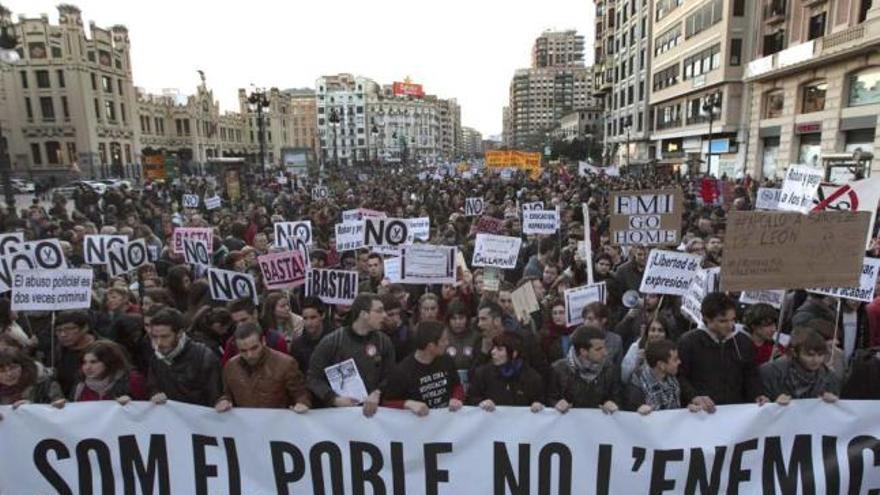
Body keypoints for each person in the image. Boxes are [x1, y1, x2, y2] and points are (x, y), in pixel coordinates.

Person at [306, 293, 395, 416]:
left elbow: (390, 376)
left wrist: (378, 392)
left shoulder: (384, 342)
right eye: (379, 311)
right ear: (363, 314)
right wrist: (333, 399)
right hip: (339, 416)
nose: (384, 315)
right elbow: (313, 378)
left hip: (373, 416)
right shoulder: (333, 341)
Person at [677, 293, 767, 412]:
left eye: (733, 320)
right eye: (723, 321)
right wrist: (693, 396)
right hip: (702, 414)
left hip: (736, 415)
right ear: (707, 319)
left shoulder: (743, 342)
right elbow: (680, 376)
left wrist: (758, 395)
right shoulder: (688, 342)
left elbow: (751, 376)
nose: (730, 326)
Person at [215, 322, 311, 412]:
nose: (250, 355)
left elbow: (301, 394)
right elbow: (227, 394)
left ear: (263, 341)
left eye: (254, 348)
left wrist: (302, 403)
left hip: (278, 423)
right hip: (246, 425)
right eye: (243, 351)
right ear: (236, 348)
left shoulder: (286, 364)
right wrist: (224, 401)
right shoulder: (231, 366)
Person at [381, 321, 464, 415]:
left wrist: (456, 398)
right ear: (431, 346)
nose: (447, 343)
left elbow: (457, 385)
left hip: (445, 421)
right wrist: (408, 404)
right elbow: (386, 403)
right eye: (443, 340)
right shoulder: (402, 371)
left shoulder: (446, 360)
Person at [147, 307, 222, 407]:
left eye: (165, 337)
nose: (159, 343)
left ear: (179, 334)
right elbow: (153, 386)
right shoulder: (156, 358)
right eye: (155, 337)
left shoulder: (204, 356)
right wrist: (155, 395)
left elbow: (216, 395)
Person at [548, 326, 620, 413]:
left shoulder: (609, 368)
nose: (605, 353)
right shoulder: (558, 369)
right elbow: (549, 399)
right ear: (583, 351)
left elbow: (617, 397)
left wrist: (611, 404)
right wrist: (556, 404)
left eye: (604, 347)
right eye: (599, 349)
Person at [467, 332, 544, 412]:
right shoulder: (483, 373)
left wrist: (538, 405)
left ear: (514, 353)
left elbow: (541, 401)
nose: (493, 352)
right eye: (493, 348)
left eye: (499, 350)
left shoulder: (532, 378)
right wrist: (481, 403)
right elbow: (471, 399)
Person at [760, 328, 840, 404]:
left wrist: (833, 402)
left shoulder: (829, 377)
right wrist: (772, 403)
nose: (816, 360)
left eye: (820, 355)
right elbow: (759, 403)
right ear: (794, 353)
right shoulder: (771, 373)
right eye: (809, 355)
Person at [71, 341, 147, 403]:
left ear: (108, 362)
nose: (87, 367)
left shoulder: (132, 381)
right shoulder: (80, 386)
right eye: (84, 362)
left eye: (94, 362)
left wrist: (132, 403)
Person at [623, 339, 683, 414]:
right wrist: (639, 409)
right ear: (661, 365)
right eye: (675, 359)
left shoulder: (673, 380)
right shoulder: (637, 385)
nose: (679, 362)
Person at [223, 298, 288, 364]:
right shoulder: (232, 343)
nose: (240, 325)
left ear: (255, 314)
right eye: (236, 322)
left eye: (244, 320)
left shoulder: (276, 340)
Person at [52, 310, 99, 397]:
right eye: (58, 330)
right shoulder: (56, 350)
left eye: (69, 329)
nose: (63, 334)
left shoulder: (105, 349)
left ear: (85, 328)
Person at [0, 349, 65, 409]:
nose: (9, 374)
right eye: (2, 371)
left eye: (13, 368)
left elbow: (63, 413)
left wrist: (33, 408)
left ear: (24, 367)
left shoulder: (45, 386)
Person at [620, 316, 672, 384]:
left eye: (660, 330)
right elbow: (624, 377)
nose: (656, 334)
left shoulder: (671, 352)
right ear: (647, 333)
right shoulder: (637, 347)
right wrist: (638, 363)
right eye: (653, 330)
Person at [290, 297, 330, 373]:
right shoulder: (297, 345)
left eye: (313, 317)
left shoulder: (336, 341)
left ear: (322, 315)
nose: (309, 323)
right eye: (305, 318)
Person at [582, 302, 623, 367]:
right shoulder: (579, 338)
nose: (586, 322)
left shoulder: (615, 340)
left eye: (590, 319)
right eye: (584, 319)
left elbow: (617, 366)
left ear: (603, 320)